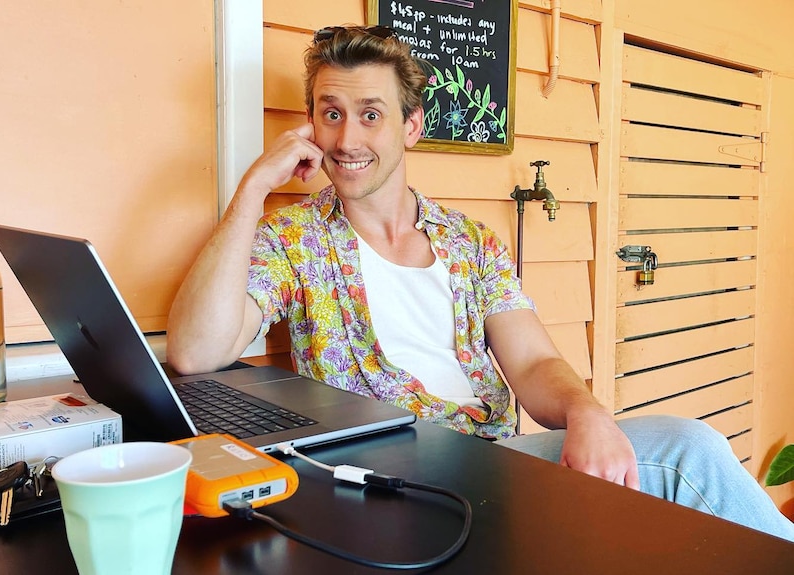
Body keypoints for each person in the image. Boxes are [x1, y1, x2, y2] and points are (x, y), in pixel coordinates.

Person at [166, 25, 794, 541]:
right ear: (310, 126)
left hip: (491, 466)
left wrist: (587, 412)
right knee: (688, 451)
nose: (347, 138)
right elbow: (195, 350)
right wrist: (253, 187)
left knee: (685, 458)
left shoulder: (471, 244)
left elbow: (535, 360)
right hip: (381, 479)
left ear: (411, 127)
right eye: (331, 115)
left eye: (370, 115)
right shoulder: (294, 240)